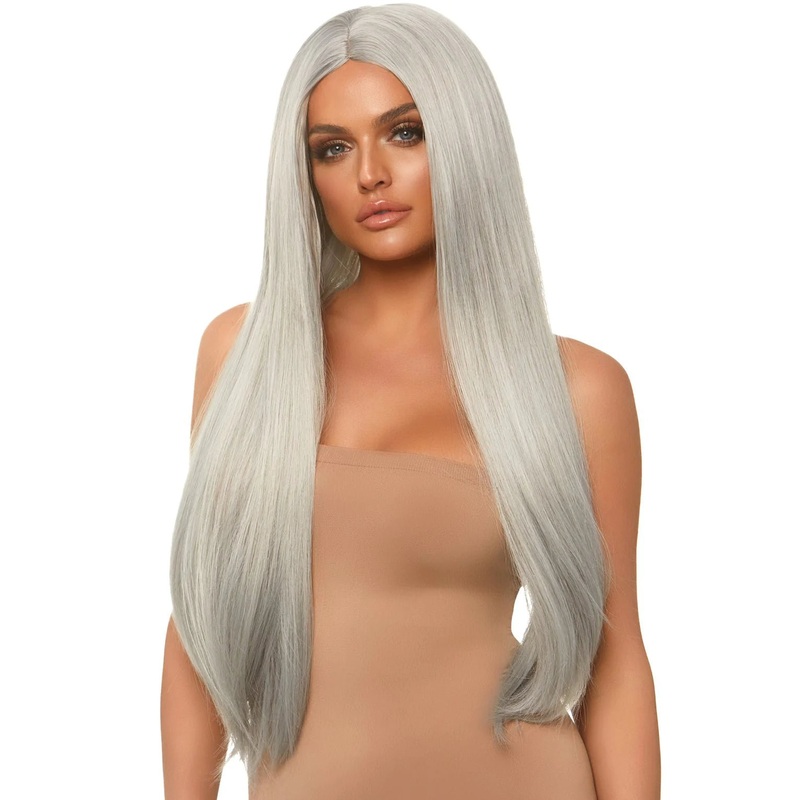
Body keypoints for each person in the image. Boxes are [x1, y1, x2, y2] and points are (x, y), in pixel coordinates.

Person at [161, 4, 660, 799]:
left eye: (405, 132)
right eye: (332, 148)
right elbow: (198, 622)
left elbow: (615, 653)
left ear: (464, 140)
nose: (369, 174)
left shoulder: (579, 388)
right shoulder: (246, 356)